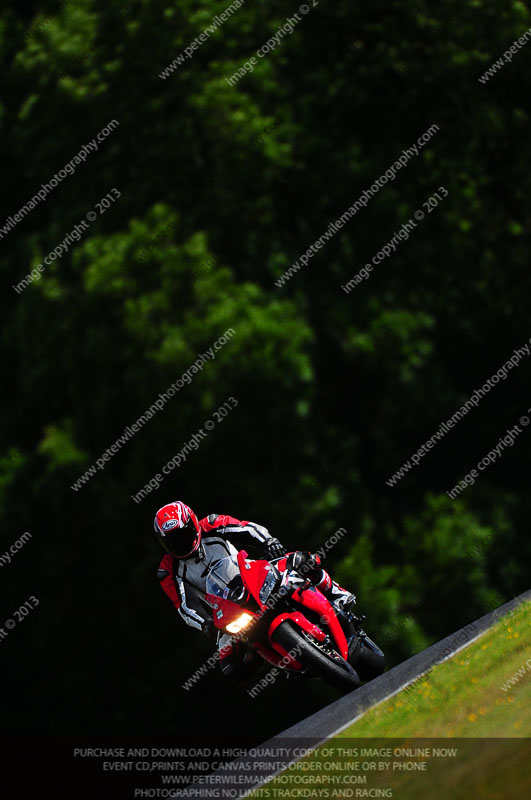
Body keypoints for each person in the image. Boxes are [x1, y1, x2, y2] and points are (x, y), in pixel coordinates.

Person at [155, 500, 355, 681]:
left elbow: (246, 529)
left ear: (193, 523)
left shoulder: (211, 524)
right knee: (230, 667)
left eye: (182, 535)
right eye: (171, 541)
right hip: (225, 612)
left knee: (302, 560)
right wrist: (206, 624)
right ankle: (277, 658)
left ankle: (337, 593)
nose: (179, 544)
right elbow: (184, 606)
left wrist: (268, 542)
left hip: (253, 576)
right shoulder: (168, 570)